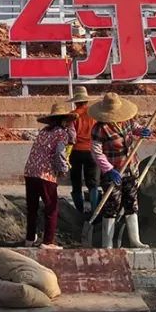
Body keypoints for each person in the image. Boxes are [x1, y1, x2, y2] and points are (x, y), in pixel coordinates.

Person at [89, 92, 152, 249]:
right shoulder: (100, 128)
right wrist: (109, 170)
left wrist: (143, 131)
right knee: (112, 205)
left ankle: (135, 240)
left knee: (131, 202)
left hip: (130, 168)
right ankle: (107, 244)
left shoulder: (126, 121)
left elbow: (135, 128)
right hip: (113, 172)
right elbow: (96, 152)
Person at [22, 102, 76, 249]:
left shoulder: (44, 131)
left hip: (30, 171)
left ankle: (29, 238)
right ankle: (48, 242)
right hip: (45, 173)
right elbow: (59, 153)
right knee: (51, 208)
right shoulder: (61, 133)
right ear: (64, 120)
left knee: (32, 208)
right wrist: (63, 170)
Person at [67, 86, 99, 216]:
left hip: (75, 152)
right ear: (86, 100)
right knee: (93, 184)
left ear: (76, 101)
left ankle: (79, 211)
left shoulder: (72, 116)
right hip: (91, 151)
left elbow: (71, 136)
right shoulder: (95, 114)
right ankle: (95, 211)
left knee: (76, 182)